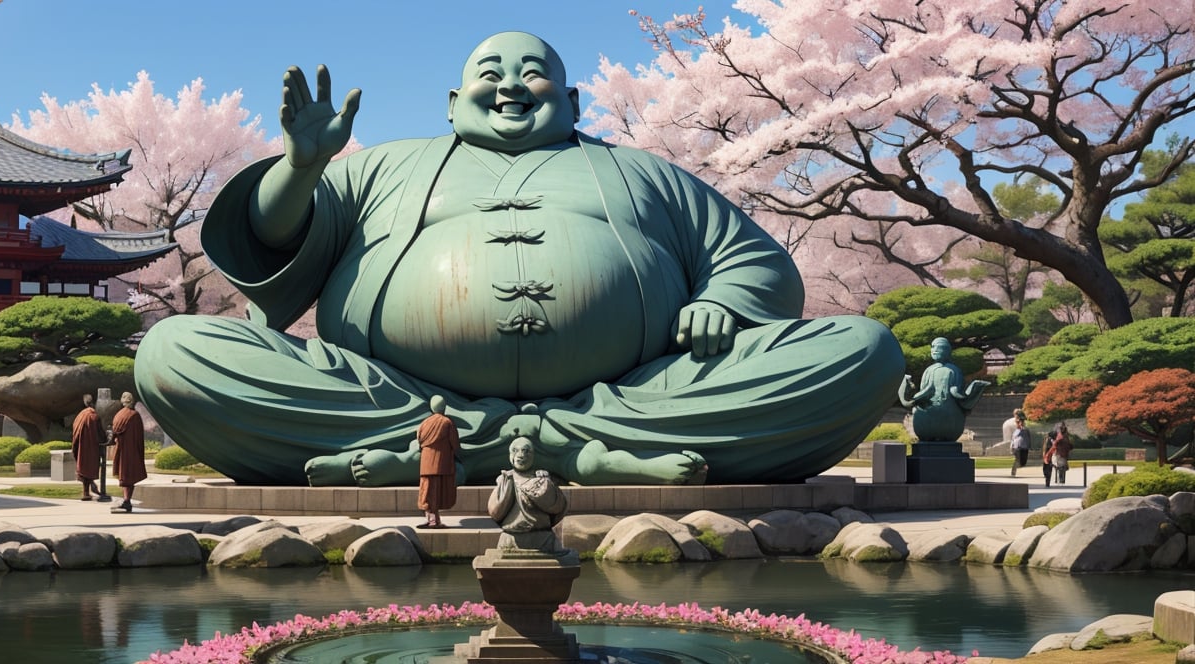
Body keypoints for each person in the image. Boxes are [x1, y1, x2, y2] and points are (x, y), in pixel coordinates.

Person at [135, 32, 904, 487]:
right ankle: (556, 449)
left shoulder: (644, 171)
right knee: (174, 351)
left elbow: (755, 263)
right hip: (394, 390)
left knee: (862, 350)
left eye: (533, 72)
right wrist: (302, 168)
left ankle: (458, 450)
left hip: (632, 393)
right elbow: (270, 239)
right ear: (452, 100)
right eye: (490, 72)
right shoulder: (380, 168)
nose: (510, 84)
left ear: (571, 100)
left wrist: (724, 305)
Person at [899, 337, 989, 442]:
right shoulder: (929, 370)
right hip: (930, 411)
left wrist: (961, 394)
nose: (935, 349)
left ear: (947, 351)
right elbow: (925, 389)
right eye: (932, 347)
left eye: (939, 347)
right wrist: (915, 398)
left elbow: (956, 391)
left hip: (949, 413)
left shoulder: (954, 371)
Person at [488, 437, 569, 553]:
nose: (521, 455)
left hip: (543, 538)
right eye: (515, 451)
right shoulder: (504, 480)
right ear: (510, 455)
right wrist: (507, 487)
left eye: (526, 451)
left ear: (533, 455)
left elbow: (558, 506)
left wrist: (546, 485)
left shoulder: (540, 479)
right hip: (511, 538)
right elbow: (495, 512)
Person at [416, 395, 459, 529]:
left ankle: (432, 519)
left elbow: (419, 440)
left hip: (426, 463)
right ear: (444, 407)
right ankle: (434, 521)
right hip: (442, 463)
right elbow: (455, 443)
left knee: (427, 492)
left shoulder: (424, 423)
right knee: (437, 492)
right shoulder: (447, 422)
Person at [111, 392, 147, 513]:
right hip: (131, 451)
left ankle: (126, 501)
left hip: (121, 450)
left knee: (124, 475)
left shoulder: (119, 414)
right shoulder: (135, 415)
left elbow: (114, 432)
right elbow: (139, 436)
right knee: (129, 476)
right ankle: (127, 500)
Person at [71, 394, 107, 501]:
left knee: (83, 468)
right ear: (93, 403)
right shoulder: (94, 416)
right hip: (91, 448)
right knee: (89, 468)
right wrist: (106, 439)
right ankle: (89, 490)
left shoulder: (80, 415)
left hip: (81, 447)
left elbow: (75, 431)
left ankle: (86, 492)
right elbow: (100, 433)